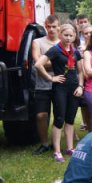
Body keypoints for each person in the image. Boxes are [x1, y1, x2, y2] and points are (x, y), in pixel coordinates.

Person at [34, 23, 84, 162]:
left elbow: (80, 71)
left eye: (71, 35)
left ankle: (70, 148)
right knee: (59, 119)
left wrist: (80, 86)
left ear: (75, 36)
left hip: (74, 88)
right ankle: (56, 151)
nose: (68, 38)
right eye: (65, 35)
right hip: (60, 89)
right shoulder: (55, 50)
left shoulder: (76, 52)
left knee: (70, 119)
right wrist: (51, 78)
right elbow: (38, 64)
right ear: (60, 34)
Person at [32, 15, 60, 155]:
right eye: (48, 27)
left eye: (54, 26)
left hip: (60, 84)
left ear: (58, 27)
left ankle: (60, 143)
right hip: (42, 84)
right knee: (41, 115)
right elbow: (37, 63)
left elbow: (68, 63)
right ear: (45, 26)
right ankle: (44, 143)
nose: (51, 29)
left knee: (60, 114)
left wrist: (46, 63)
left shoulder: (63, 42)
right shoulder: (37, 42)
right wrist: (57, 63)